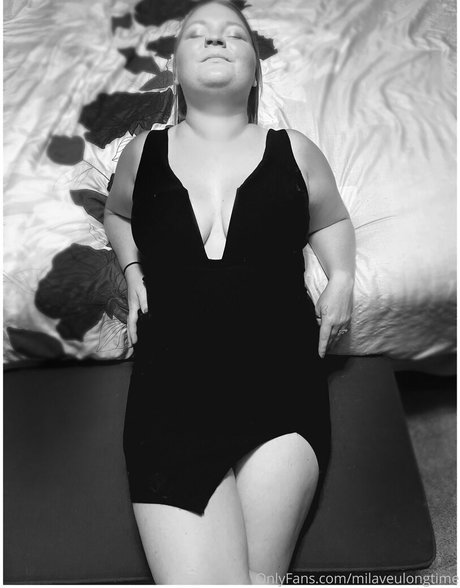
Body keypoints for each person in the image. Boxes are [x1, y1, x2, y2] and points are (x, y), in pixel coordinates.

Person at [104, 0, 355, 584]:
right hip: (169, 394)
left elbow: (332, 220)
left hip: (280, 381)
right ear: (175, 68)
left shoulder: (295, 149)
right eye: (198, 33)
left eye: (234, 35)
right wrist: (132, 268)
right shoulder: (144, 152)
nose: (216, 39)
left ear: (255, 72)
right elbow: (117, 214)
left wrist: (341, 276)